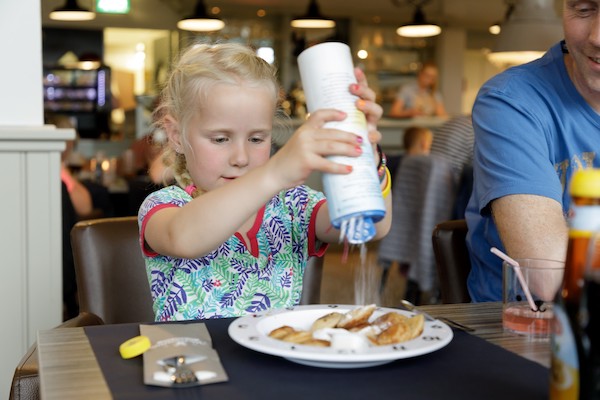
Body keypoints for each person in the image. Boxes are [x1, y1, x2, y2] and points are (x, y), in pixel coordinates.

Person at [138, 42, 392, 321]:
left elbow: (374, 226)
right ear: (176, 135)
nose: (241, 157)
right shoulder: (165, 207)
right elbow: (184, 238)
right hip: (194, 361)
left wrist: (366, 158)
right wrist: (274, 172)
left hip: (274, 361)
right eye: (220, 139)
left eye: (257, 139)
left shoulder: (294, 207)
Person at [465, 0, 600, 302]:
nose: (597, 37)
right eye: (583, 8)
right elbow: (549, 276)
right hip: (523, 329)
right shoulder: (511, 100)